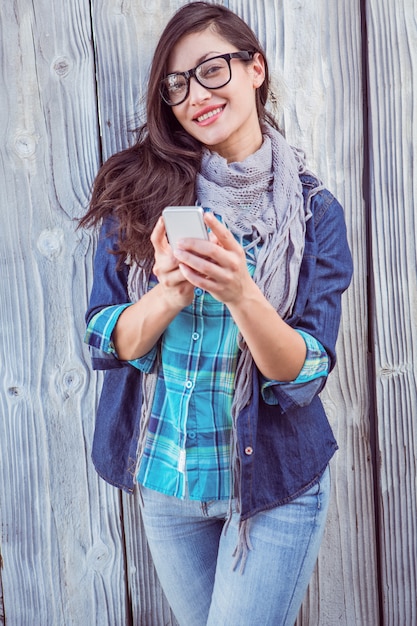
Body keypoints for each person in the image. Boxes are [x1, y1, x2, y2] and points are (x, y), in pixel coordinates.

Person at [80, 2, 353, 624]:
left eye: (211, 70)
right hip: (167, 482)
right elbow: (104, 336)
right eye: (176, 85)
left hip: (273, 490)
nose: (194, 96)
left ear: (255, 67)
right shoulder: (140, 189)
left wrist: (242, 294)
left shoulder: (314, 214)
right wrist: (168, 294)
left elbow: (305, 373)